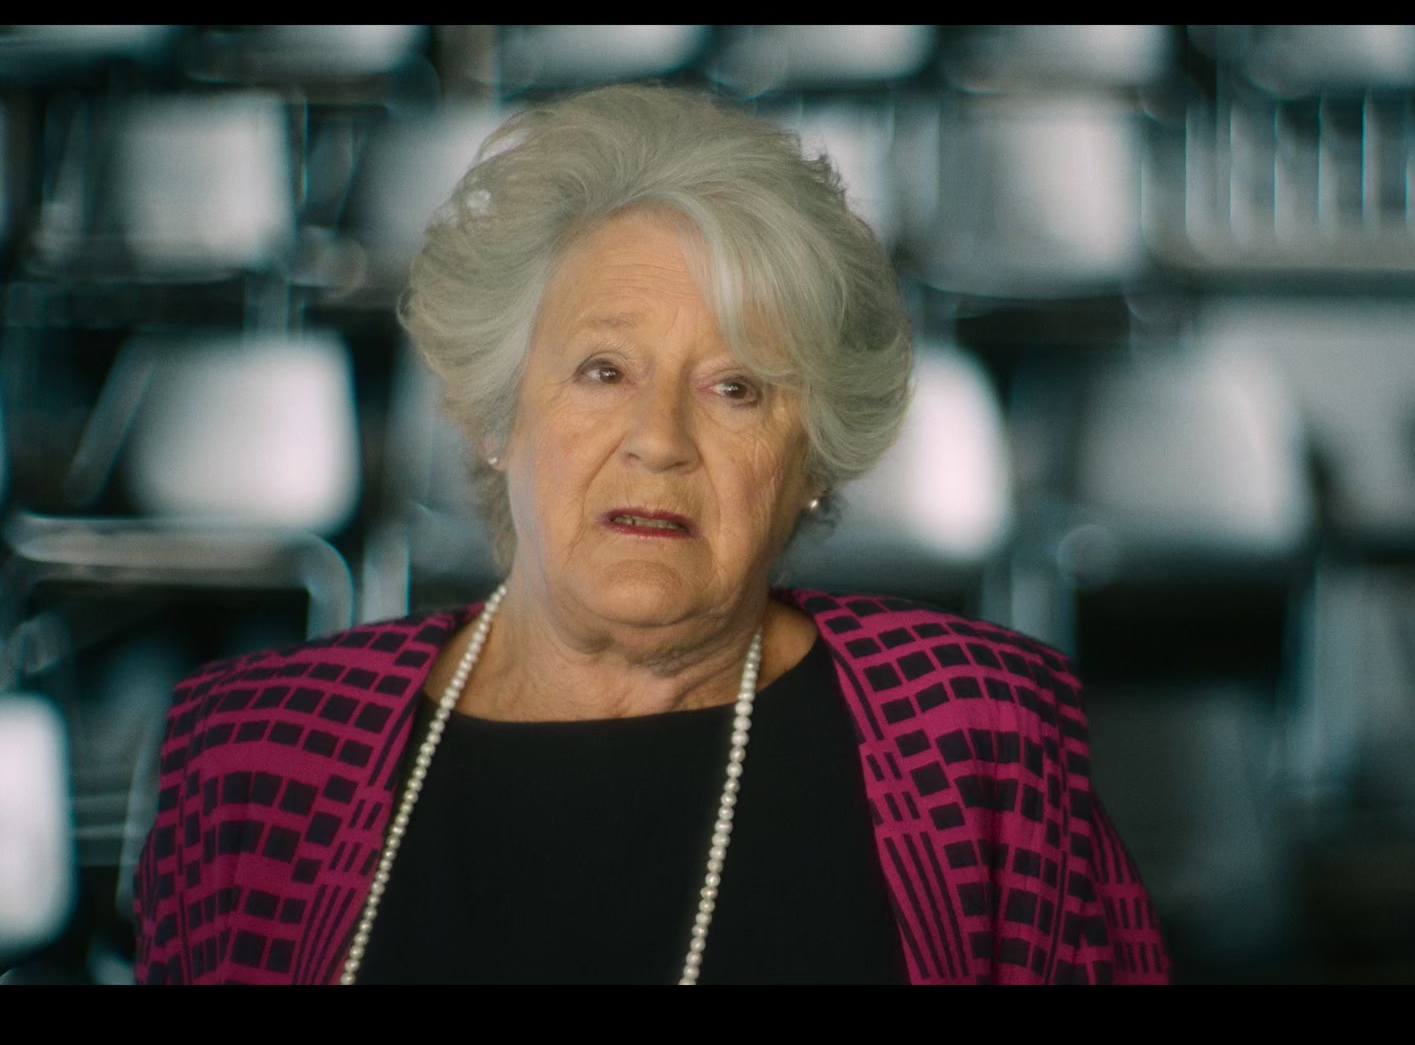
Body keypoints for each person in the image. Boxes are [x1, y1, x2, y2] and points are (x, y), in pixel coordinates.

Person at [130, 85, 1169, 985]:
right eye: (603, 371)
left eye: (736, 387)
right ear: (497, 415)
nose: (659, 442)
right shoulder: (252, 753)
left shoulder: (977, 736)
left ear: (810, 459)